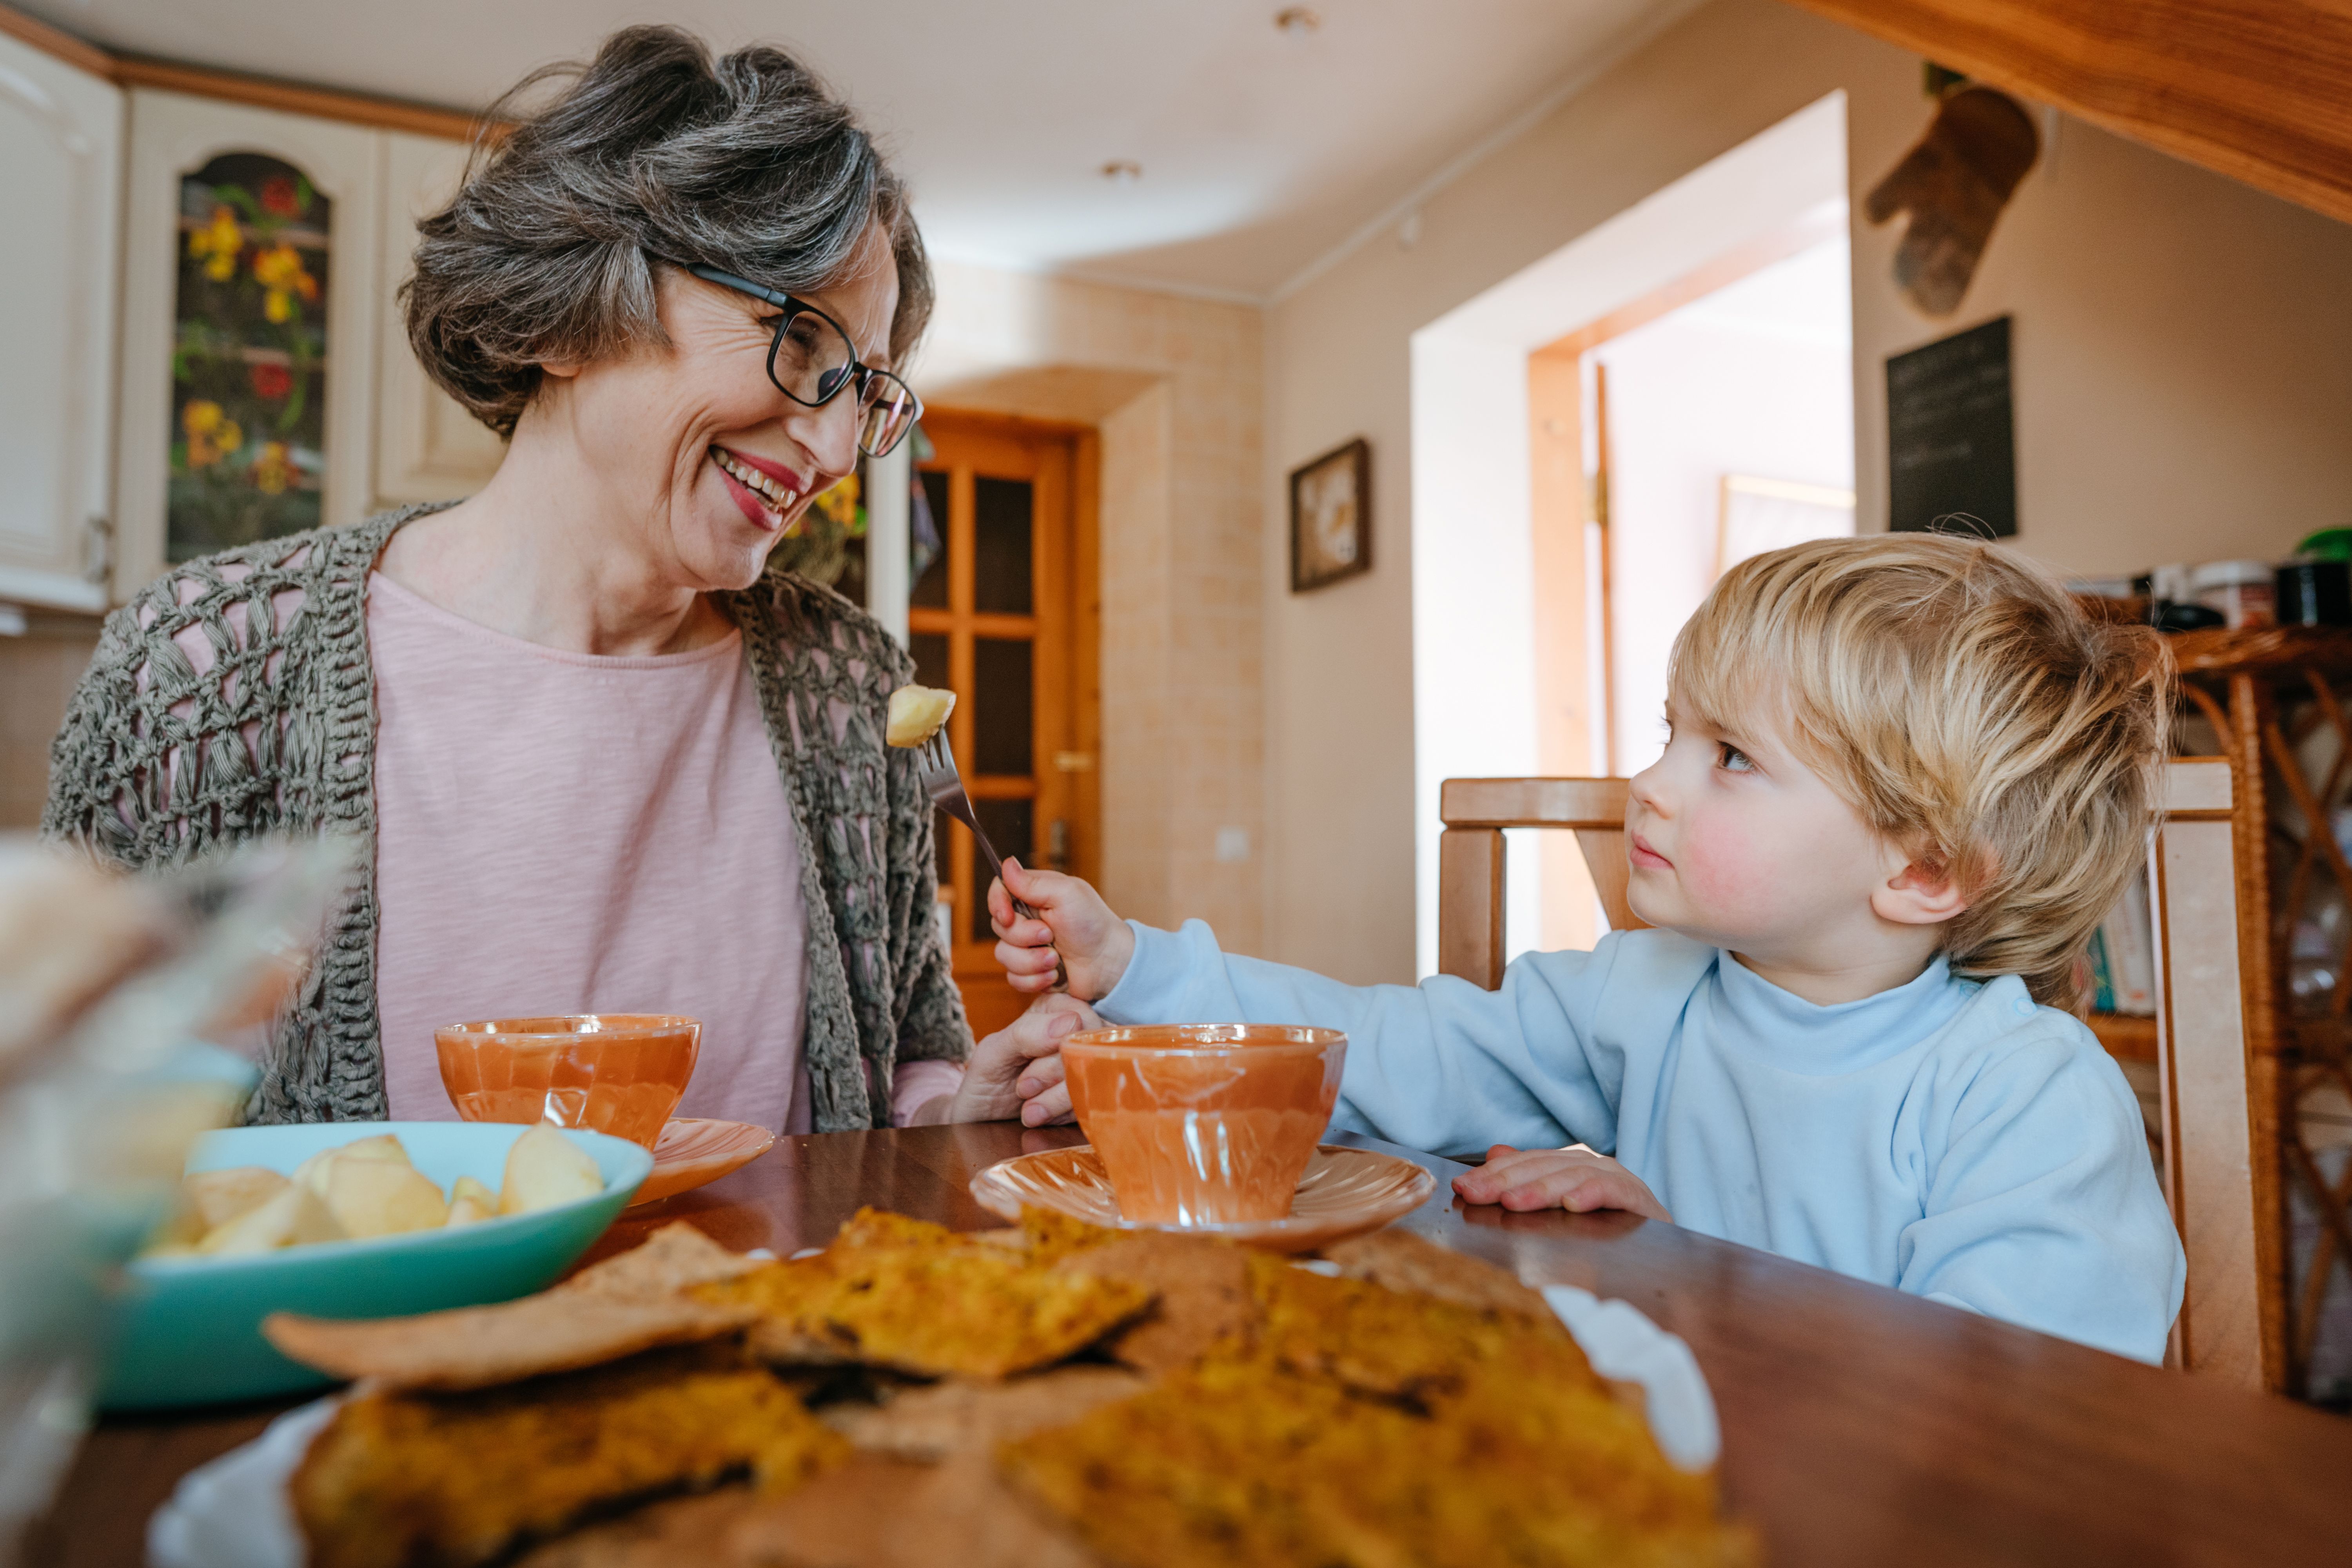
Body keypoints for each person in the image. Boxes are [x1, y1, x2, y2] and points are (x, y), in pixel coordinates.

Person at [44, 27, 1053, 1134]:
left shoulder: (851, 690)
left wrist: (970, 1108)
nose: (832, 444)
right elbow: (66, 1135)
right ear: (579, 303)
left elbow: (904, 1058)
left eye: (865, 391)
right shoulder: (202, 675)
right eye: (797, 338)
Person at [987, 535, 2187, 1361]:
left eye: (1730, 759)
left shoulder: (2026, 1096)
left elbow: (2014, 1411)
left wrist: (1684, 1262)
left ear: (1923, 870)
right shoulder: (1649, 991)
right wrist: (1138, 966)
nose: (1648, 784)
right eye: (1674, 732)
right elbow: (1401, 1049)